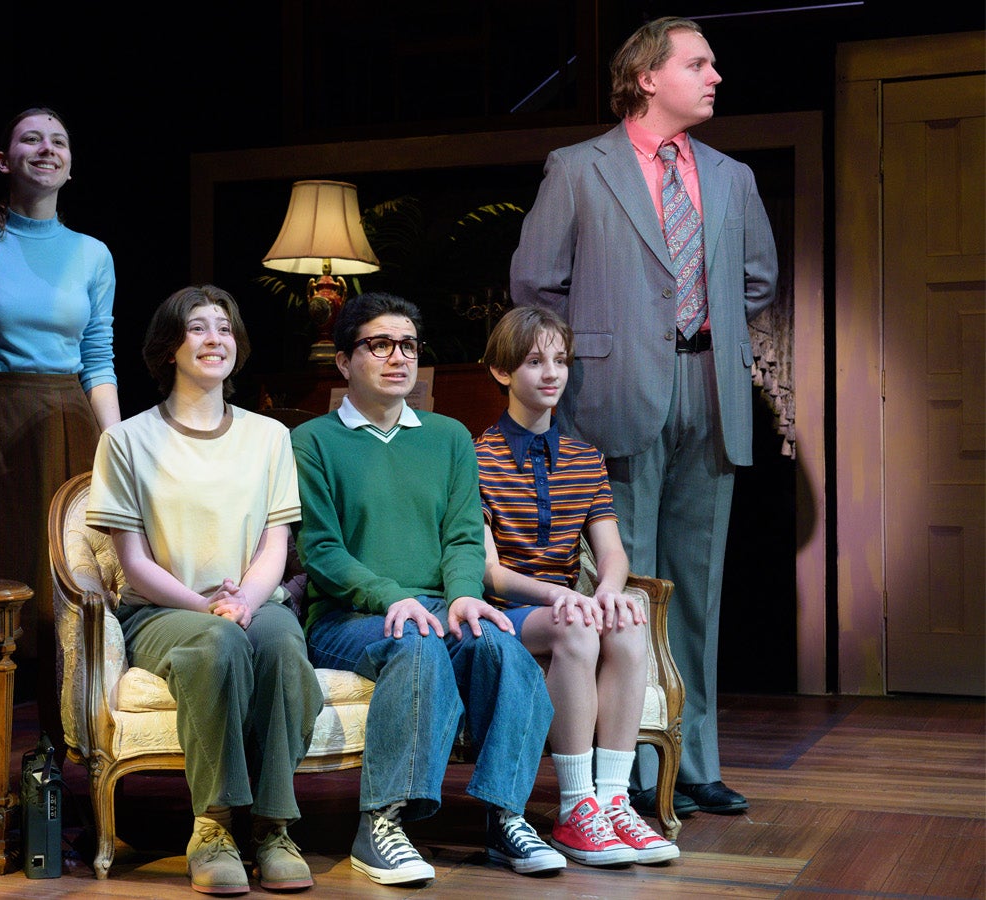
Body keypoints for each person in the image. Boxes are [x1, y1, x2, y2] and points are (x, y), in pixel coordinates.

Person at [509, 16, 778, 817]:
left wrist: (708, 333)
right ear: (648, 76)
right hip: (613, 392)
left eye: (713, 63)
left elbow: (758, 279)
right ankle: (621, 769)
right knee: (626, 587)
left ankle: (692, 762)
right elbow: (535, 284)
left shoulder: (730, 177)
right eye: (698, 62)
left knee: (695, 589)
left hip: (709, 389)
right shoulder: (578, 168)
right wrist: (594, 350)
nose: (715, 75)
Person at [291, 292, 564, 885]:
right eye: (379, 344)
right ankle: (381, 823)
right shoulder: (312, 441)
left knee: (500, 645)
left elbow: (465, 536)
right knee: (416, 644)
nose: (398, 357)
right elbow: (321, 551)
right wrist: (390, 596)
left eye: (408, 345)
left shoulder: (447, 438)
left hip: (439, 605)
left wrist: (467, 594)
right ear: (343, 361)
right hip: (346, 618)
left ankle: (505, 816)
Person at [85, 285, 322, 895]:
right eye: (198, 328)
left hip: (251, 601)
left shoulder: (269, 436)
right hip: (165, 609)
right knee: (216, 645)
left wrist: (243, 600)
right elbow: (132, 562)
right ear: (169, 348)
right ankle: (213, 827)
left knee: (280, 644)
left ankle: (272, 827)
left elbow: (276, 544)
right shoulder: (127, 441)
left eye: (225, 327)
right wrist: (208, 608)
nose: (215, 339)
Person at [0, 107, 121, 745]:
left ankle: (64, 760)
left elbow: (98, 359)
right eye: (31, 139)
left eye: (59, 140)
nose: (47, 149)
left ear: (71, 163)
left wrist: (119, 452)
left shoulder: (93, 255)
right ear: (4, 160)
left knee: (65, 595)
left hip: (70, 427)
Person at [475, 306, 679, 866]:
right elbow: (488, 571)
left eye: (560, 361)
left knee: (629, 619)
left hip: (569, 608)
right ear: (501, 372)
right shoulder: (476, 457)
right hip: (505, 613)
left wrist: (609, 592)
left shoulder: (584, 459)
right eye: (534, 361)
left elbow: (611, 553)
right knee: (579, 627)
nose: (551, 373)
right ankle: (574, 808)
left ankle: (613, 800)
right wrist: (559, 596)